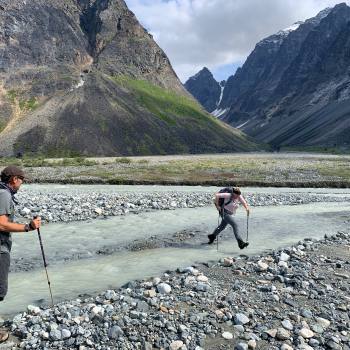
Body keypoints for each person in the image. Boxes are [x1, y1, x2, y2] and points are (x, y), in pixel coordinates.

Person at [0, 165, 41, 343]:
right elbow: (1, 224)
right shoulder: (4, 194)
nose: (22, 183)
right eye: (22, 179)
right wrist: (28, 227)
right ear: (14, 179)